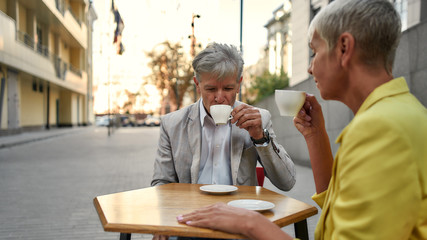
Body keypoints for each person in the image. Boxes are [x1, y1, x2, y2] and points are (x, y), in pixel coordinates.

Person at [176, 0, 427, 239]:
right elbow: (338, 209)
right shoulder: (397, 112)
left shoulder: (381, 129)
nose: (309, 68)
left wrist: (249, 223)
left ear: (344, 48)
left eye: (314, 52)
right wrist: (315, 136)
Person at [151, 42, 297, 240]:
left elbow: (286, 182)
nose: (220, 98)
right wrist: (163, 222)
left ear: (239, 83)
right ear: (197, 84)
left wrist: (260, 137)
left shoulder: (258, 118)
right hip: (190, 222)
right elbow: (162, 183)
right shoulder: (172, 124)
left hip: (241, 225)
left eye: (228, 88)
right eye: (210, 89)